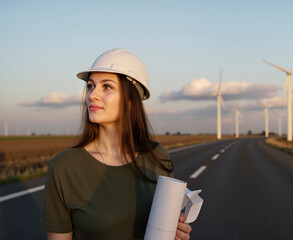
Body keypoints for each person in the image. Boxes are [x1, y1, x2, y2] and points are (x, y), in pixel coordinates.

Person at [40, 48, 192, 240]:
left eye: (107, 87)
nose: (92, 95)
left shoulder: (157, 156)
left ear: (131, 100)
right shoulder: (63, 167)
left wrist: (178, 235)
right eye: (90, 86)